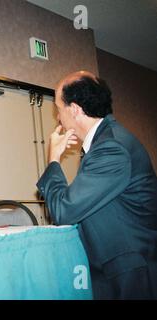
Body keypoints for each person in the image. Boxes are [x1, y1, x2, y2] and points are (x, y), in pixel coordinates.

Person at [36, 71, 157, 299]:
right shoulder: (105, 142)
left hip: (130, 271)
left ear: (74, 109)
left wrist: (53, 159)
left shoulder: (111, 148)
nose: (58, 118)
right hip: (118, 266)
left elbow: (64, 210)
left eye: (58, 109)